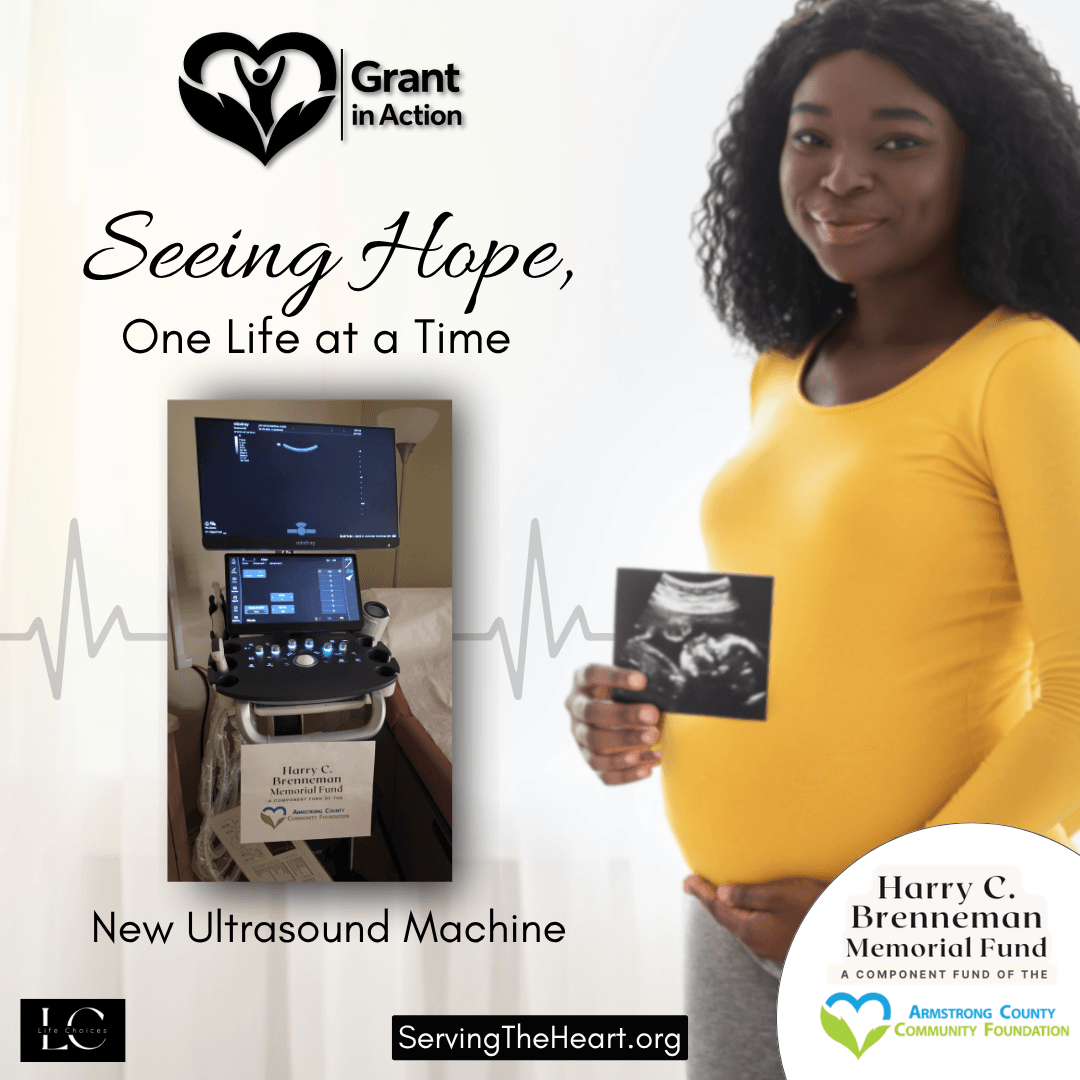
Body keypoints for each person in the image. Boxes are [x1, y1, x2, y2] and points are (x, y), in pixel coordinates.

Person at [565, 1, 1080, 1076]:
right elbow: (805, 621)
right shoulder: (782, 369)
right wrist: (633, 708)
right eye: (812, 136)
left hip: (936, 940)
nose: (841, 174)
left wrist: (883, 920)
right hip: (732, 922)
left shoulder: (1024, 368)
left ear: (987, 160)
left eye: (897, 140)